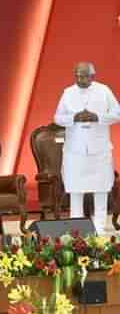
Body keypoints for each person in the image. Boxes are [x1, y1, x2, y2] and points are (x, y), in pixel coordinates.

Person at [54, 62, 120, 234]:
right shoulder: (68, 93)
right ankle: (77, 228)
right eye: (76, 75)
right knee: (76, 189)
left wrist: (97, 117)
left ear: (92, 76)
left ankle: (99, 228)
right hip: (75, 151)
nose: (79, 79)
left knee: (101, 188)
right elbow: (57, 118)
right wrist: (74, 117)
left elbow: (117, 113)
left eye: (83, 76)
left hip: (99, 150)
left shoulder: (104, 91)